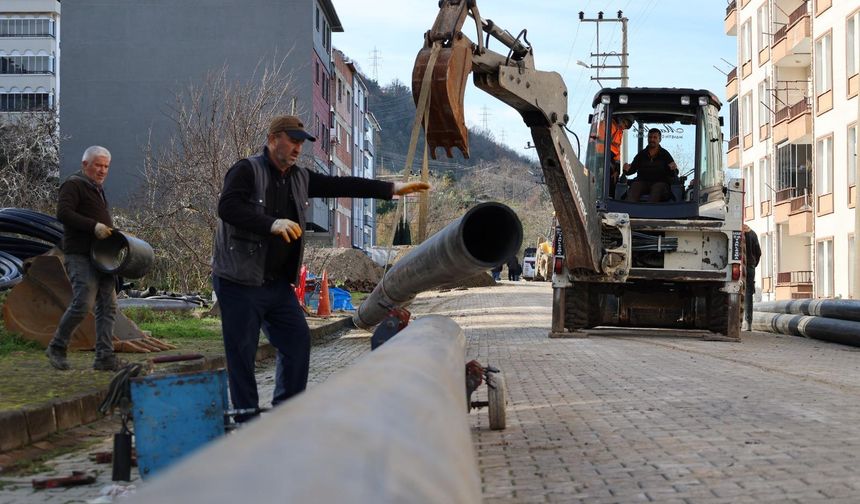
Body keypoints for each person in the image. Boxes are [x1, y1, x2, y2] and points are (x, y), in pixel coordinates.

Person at [212, 115, 429, 422]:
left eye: (302, 142)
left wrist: (392, 188)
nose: (298, 148)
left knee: (297, 340)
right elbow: (228, 207)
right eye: (293, 140)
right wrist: (271, 223)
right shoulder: (246, 170)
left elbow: (344, 184)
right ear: (273, 139)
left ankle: (286, 413)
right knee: (242, 351)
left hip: (275, 283)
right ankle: (246, 419)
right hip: (239, 279)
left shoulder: (299, 177)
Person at [45, 146, 122, 372]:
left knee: (108, 306)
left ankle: (104, 357)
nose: (102, 170)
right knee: (83, 302)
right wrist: (94, 226)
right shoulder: (73, 184)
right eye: (98, 165)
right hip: (80, 254)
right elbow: (63, 213)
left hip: (103, 256)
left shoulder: (96, 188)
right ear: (85, 164)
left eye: (106, 166)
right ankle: (57, 347)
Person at [623, 128, 679, 203]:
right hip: (643, 181)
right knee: (635, 186)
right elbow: (632, 169)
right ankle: (629, 212)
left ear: (660, 139)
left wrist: (673, 169)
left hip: (660, 182)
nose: (652, 139)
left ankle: (648, 213)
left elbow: (673, 173)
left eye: (655, 137)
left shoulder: (665, 154)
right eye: (650, 137)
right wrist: (626, 169)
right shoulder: (641, 154)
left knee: (657, 188)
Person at [743, 224, 762, 331]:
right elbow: (758, 253)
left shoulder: (738, 232)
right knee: (748, 294)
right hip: (750, 266)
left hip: (740, 265)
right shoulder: (753, 234)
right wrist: (754, 264)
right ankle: (748, 322)